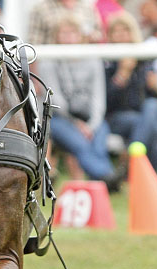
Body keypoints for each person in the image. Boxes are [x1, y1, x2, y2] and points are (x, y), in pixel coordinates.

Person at [37, 15, 120, 187]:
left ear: (80, 35)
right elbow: (55, 99)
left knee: (98, 140)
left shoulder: (92, 59)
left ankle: (102, 180)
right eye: (64, 32)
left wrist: (90, 125)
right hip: (57, 117)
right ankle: (108, 178)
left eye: (72, 32)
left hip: (89, 117)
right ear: (56, 36)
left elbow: (98, 98)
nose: (68, 36)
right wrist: (76, 123)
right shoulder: (48, 60)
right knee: (80, 144)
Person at [103, 10, 157, 169]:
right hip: (116, 117)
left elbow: (155, 95)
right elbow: (106, 102)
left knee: (152, 106)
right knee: (154, 127)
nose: (121, 35)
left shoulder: (144, 59)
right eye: (116, 31)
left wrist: (156, 86)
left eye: (125, 30)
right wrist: (121, 76)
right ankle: (147, 173)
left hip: (143, 113)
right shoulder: (106, 61)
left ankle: (134, 157)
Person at [28, 0, 103, 43]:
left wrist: (92, 37)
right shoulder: (40, 9)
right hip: (52, 63)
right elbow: (34, 43)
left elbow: (99, 33)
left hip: (83, 62)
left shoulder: (87, 7)